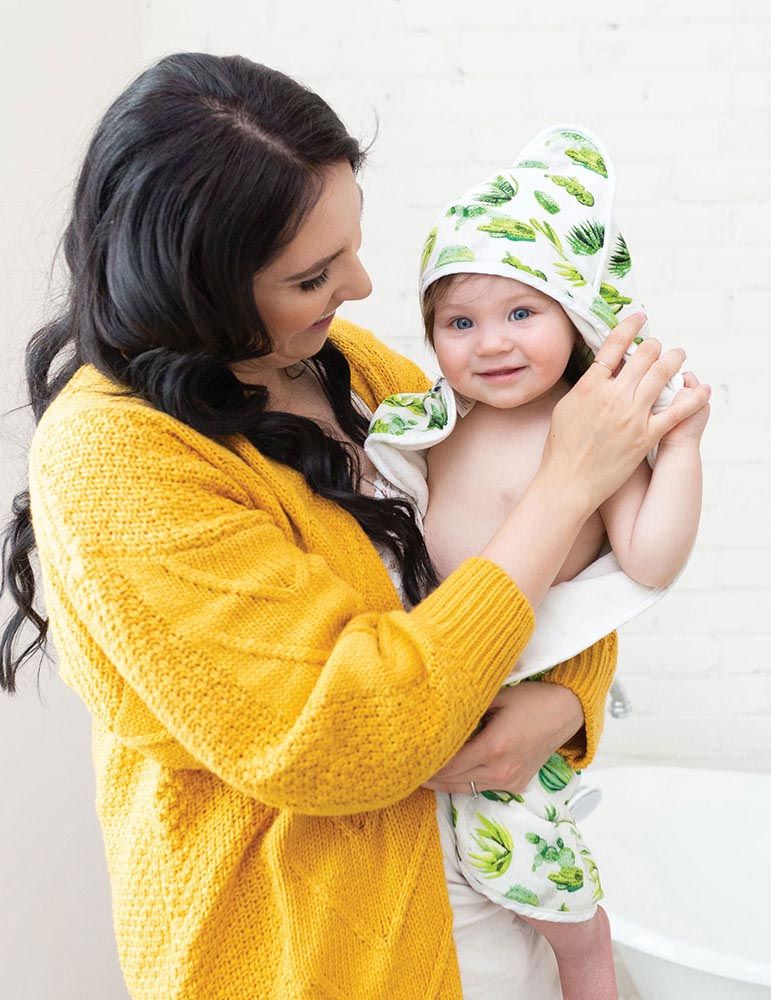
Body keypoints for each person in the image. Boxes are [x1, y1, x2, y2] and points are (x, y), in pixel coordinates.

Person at [0, 54, 703, 1000]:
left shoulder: (339, 364)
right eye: (315, 274)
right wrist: (570, 484)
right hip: (323, 957)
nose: (365, 286)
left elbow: (527, 578)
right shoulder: (117, 459)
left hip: (486, 914)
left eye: (353, 245)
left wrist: (569, 697)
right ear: (199, 286)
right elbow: (347, 734)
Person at [362, 125, 711, 999]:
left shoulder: (599, 429)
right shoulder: (431, 421)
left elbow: (651, 559)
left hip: (509, 679)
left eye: (523, 313)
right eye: (460, 322)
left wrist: (682, 452)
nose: (492, 343)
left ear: (576, 319)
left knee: (538, 873)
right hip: (428, 673)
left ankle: (587, 955)